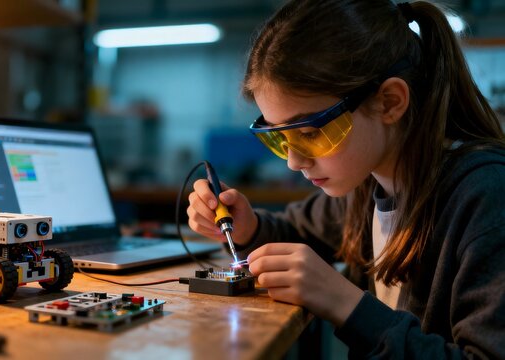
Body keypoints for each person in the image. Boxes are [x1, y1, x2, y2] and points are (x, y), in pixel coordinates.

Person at [187, 0, 505, 358]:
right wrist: (247, 227)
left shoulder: (486, 196)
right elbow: (296, 232)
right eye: (279, 137)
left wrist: (346, 303)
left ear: (389, 102)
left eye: (310, 133)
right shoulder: (367, 183)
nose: (294, 161)